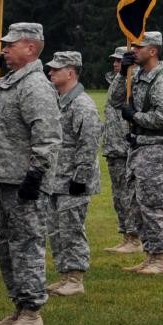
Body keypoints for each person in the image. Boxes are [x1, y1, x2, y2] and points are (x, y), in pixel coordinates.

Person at [0, 21, 63, 325]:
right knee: (8, 247)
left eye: (9, 44)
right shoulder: (13, 83)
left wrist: (36, 174)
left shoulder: (35, 87)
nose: (3, 49)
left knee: (26, 246)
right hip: (6, 179)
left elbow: (47, 137)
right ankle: (19, 305)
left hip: (25, 183)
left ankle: (31, 312)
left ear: (30, 47)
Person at [120, 31, 163, 276]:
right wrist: (122, 73)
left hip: (155, 148)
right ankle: (149, 253)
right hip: (139, 147)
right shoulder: (137, 76)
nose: (134, 50)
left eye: (139, 46)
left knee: (153, 205)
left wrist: (135, 117)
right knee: (137, 204)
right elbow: (117, 100)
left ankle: (159, 258)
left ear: (153, 50)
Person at [44, 51, 101, 298]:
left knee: (71, 229)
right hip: (57, 177)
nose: (51, 72)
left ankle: (76, 277)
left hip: (74, 180)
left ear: (71, 72)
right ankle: (65, 275)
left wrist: (81, 177)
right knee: (56, 230)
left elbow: (88, 144)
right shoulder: (60, 100)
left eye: (56, 69)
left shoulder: (82, 104)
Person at [100, 46, 139, 255]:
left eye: (119, 60)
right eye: (114, 60)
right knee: (118, 195)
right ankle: (125, 234)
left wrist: (127, 73)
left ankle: (134, 236)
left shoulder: (132, 81)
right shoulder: (116, 80)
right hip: (113, 147)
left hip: (126, 147)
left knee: (128, 195)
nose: (115, 64)